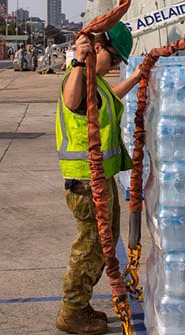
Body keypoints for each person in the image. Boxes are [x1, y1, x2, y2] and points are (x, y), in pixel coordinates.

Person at [55, 23, 141, 335]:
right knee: (90, 246)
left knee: (103, 246)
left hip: (101, 180)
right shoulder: (81, 76)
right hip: (86, 182)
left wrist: (135, 79)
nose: (115, 66)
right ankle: (72, 311)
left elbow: (110, 99)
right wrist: (79, 59)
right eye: (115, 59)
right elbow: (71, 99)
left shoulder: (99, 83)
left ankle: (81, 304)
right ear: (99, 48)